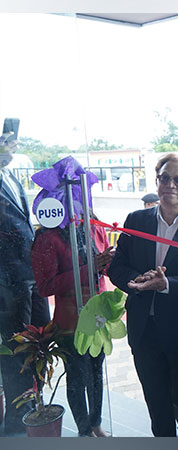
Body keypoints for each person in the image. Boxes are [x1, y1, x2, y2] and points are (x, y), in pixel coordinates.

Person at [107, 153, 178, 437]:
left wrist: (167, 285)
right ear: (156, 182)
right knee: (158, 408)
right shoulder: (136, 220)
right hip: (145, 334)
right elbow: (117, 267)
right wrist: (137, 281)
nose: (171, 185)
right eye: (164, 178)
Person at [31, 216, 113, 437]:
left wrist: (109, 263)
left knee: (96, 374)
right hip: (70, 322)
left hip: (98, 318)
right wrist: (90, 268)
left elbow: (104, 272)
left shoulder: (94, 226)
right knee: (77, 378)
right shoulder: (49, 236)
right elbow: (45, 286)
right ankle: (84, 431)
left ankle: (96, 423)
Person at [0, 132, 50, 435]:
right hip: (5, 284)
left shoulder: (12, 178)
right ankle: (18, 423)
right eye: (7, 144)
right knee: (16, 351)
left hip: (31, 277)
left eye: (13, 145)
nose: (11, 149)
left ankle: (37, 407)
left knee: (40, 342)